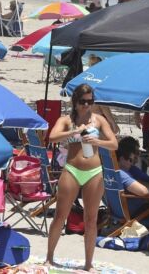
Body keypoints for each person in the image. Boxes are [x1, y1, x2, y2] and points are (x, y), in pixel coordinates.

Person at [46, 84, 118, 271]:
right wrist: (73, 132)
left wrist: (97, 141)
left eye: (90, 101)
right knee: (60, 215)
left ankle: (88, 264)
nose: (87, 105)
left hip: (94, 172)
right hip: (72, 169)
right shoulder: (67, 120)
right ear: (75, 102)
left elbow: (114, 144)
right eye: (83, 102)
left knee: (91, 219)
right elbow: (52, 137)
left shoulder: (99, 120)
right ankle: (49, 257)